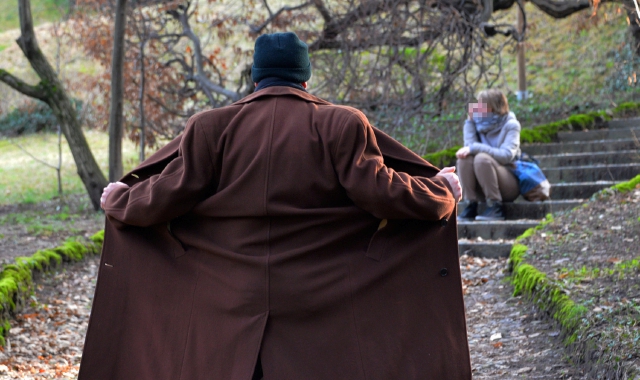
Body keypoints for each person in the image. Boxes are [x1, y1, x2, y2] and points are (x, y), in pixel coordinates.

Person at [80, 32, 470, 380]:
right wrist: (440, 192)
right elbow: (383, 191)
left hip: (227, 300)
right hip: (321, 300)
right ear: (306, 77)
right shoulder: (342, 123)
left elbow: (165, 195)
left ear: (255, 77)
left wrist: (118, 198)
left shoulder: (210, 126)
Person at [456, 89, 521, 221]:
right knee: (464, 159)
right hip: (482, 183)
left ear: (494, 107)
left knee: (481, 158)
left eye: (482, 104)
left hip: (507, 183)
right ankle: (470, 204)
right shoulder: (475, 123)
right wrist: (469, 122)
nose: (477, 107)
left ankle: (495, 207)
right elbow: (469, 147)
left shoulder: (511, 125)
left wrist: (475, 148)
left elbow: (506, 155)